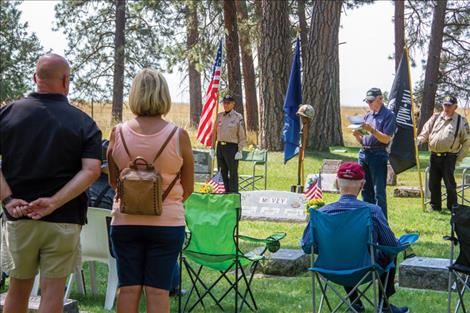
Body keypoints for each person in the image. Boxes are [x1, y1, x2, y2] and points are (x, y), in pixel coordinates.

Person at [0, 53, 102, 313]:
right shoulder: (84, 123)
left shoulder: (8, 114)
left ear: (35, 78)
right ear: (66, 81)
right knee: (53, 293)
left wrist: (9, 199)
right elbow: (91, 171)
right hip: (64, 217)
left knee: (18, 288)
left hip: (19, 217)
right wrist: (54, 202)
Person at [107, 68, 194, 313]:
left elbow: (114, 182)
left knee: (128, 289)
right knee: (158, 291)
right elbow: (188, 187)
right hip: (167, 223)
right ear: (163, 95)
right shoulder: (179, 135)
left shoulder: (117, 133)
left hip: (125, 222)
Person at [312, 162, 407, 313]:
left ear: (337, 182)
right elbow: (390, 245)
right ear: (362, 184)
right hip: (366, 269)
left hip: (329, 268)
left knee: (342, 249)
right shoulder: (373, 211)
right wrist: (403, 243)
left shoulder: (321, 213)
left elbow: (307, 245)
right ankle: (384, 305)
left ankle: (354, 302)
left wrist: (328, 248)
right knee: (388, 253)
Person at [417, 95, 470, 212]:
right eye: (445, 105)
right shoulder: (435, 117)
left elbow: (466, 142)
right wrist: (419, 140)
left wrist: (459, 158)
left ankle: (452, 207)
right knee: (433, 183)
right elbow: (425, 132)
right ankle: (435, 206)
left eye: (449, 105)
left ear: (455, 107)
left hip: (449, 157)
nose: (446, 107)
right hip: (434, 155)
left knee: (449, 184)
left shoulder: (461, 121)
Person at [353, 88, 396, 219]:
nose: (369, 104)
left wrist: (372, 130)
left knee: (379, 192)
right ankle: (368, 220)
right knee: (365, 190)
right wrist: (356, 136)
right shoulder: (367, 115)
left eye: (371, 101)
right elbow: (363, 140)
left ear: (380, 99)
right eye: (367, 101)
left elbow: (386, 139)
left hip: (378, 154)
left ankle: (381, 222)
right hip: (364, 154)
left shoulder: (389, 115)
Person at [210, 95, 246, 193]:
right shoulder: (219, 116)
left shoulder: (238, 117)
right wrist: (212, 147)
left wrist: (240, 150)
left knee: (233, 173)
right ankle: (224, 193)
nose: (225, 105)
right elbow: (214, 133)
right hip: (220, 147)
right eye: (224, 103)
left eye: (228, 103)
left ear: (233, 104)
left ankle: (233, 195)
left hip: (232, 148)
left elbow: (242, 135)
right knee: (221, 172)